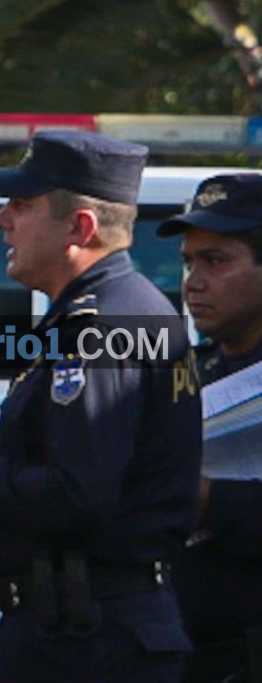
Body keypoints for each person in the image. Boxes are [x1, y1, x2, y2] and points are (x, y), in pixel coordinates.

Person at [0, 130, 202, 682]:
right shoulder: (115, 313)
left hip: (89, 640)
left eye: (21, 206)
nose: (0, 221)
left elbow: (81, 494)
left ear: (80, 227)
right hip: (85, 628)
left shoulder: (104, 326)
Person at [157, 173, 262, 683]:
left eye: (216, 261)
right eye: (188, 262)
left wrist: (208, 500)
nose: (193, 281)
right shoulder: (188, 373)